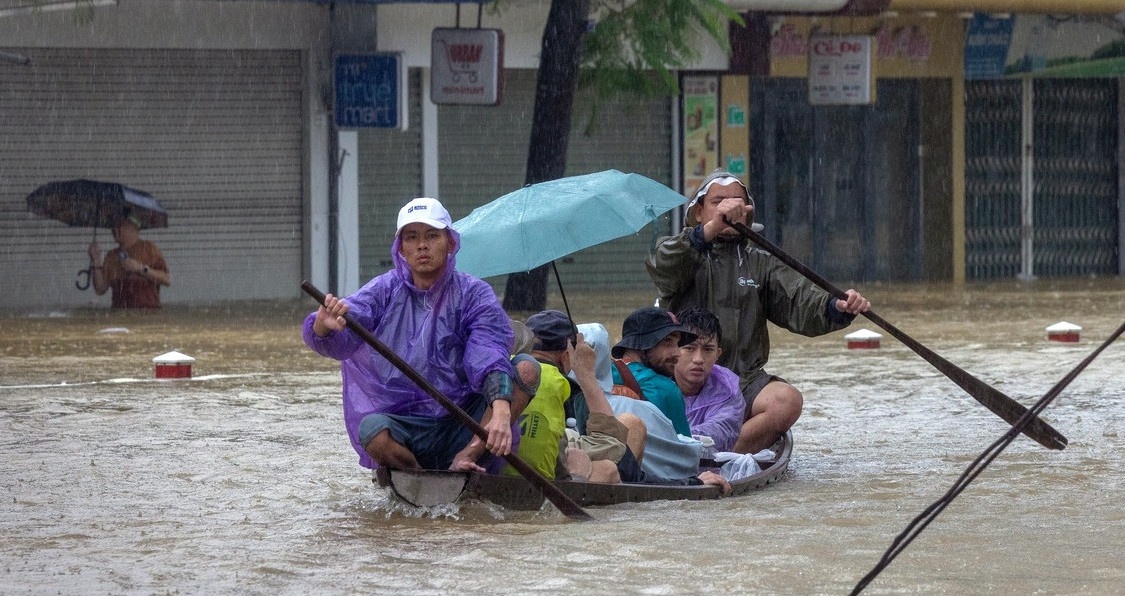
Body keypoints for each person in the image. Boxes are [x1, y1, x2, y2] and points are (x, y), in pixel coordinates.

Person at [647, 169, 871, 453]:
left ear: (747, 214)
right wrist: (711, 229)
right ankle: (685, 450)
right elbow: (663, 266)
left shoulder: (762, 264)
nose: (729, 207)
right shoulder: (679, 252)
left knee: (786, 401)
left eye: (737, 202)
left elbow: (800, 301)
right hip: (683, 379)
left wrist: (837, 307)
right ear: (699, 212)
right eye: (718, 201)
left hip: (744, 380)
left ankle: (717, 454)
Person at [303, 197, 517, 473]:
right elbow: (343, 331)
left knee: (524, 370)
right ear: (401, 248)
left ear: (450, 243)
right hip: (409, 426)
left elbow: (488, 353)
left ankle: (468, 456)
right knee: (371, 430)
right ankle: (418, 476)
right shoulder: (384, 290)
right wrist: (322, 325)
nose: (422, 245)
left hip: (466, 421)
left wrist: (501, 409)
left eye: (432, 235)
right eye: (412, 237)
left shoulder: (474, 294)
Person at [504, 309, 630, 483]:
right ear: (565, 356)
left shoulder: (502, 367)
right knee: (607, 468)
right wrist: (586, 374)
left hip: (491, 467)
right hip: (538, 486)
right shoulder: (554, 382)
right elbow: (612, 445)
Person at [674, 307, 745, 453]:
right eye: (689, 348)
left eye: (708, 349)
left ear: (718, 354)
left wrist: (675, 438)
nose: (698, 359)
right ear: (673, 350)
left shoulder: (728, 389)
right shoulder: (652, 381)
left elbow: (722, 431)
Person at [87, 210, 170, 308]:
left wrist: (141, 268)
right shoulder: (111, 256)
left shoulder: (149, 249)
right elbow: (100, 289)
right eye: (113, 226)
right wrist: (96, 260)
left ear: (132, 228)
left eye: (119, 226)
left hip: (148, 312)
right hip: (119, 313)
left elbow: (166, 280)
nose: (114, 230)